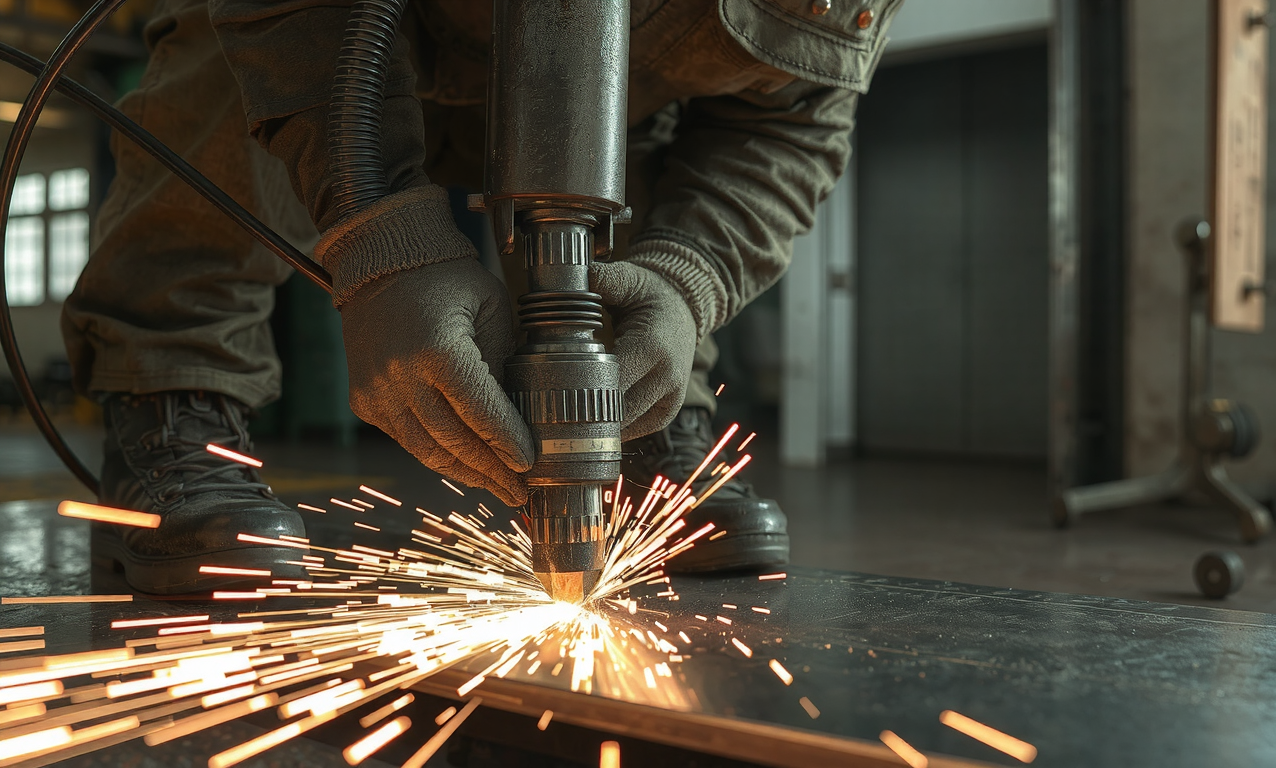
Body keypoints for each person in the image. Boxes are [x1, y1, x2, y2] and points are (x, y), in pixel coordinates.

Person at [62, 0, 898, 594]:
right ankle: (171, 394)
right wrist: (380, 237)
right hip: (352, 35)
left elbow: (792, 116)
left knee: (643, 226)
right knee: (219, 53)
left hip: (616, 106)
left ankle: (643, 414)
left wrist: (686, 280)